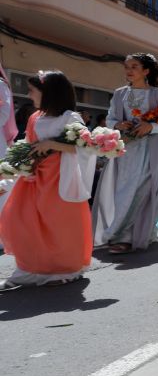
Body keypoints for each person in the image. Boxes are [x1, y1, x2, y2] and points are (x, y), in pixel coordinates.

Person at [0, 72, 97, 290]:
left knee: (58, 225)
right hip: (34, 179)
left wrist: (52, 144)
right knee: (23, 221)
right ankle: (29, 268)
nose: (29, 94)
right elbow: (27, 143)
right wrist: (13, 167)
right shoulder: (35, 117)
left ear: (48, 93)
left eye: (32, 90)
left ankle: (63, 268)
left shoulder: (70, 118)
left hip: (59, 179)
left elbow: (85, 146)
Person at [92, 53, 158, 254]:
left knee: (141, 192)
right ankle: (119, 231)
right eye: (127, 67)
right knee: (122, 192)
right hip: (125, 152)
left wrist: (151, 127)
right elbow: (110, 119)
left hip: (150, 153)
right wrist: (118, 124)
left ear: (146, 71)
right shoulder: (119, 94)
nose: (128, 71)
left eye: (134, 67)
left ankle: (127, 236)